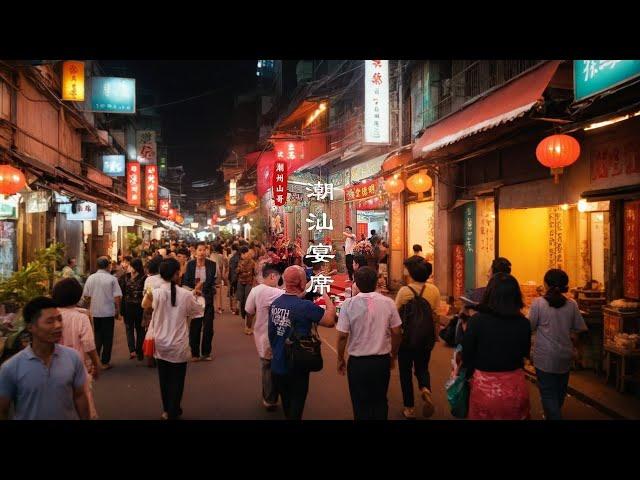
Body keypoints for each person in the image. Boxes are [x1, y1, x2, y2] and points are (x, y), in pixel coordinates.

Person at [0, 297, 89, 420]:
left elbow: (79, 397)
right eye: (50, 321)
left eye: (59, 319)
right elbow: (3, 410)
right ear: (31, 327)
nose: (58, 325)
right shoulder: (11, 368)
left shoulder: (73, 357)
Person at [268, 266, 336, 420]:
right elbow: (330, 320)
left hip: (278, 362)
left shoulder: (276, 304)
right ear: (300, 282)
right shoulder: (306, 307)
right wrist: (326, 296)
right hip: (298, 364)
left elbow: (271, 334)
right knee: (297, 405)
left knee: (287, 403)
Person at [462, 273, 532, 420]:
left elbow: (467, 355)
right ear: (516, 296)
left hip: (485, 389)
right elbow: (525, 353)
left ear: (489, 294)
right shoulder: (524, 323)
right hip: (516, 388)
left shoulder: (476, 322)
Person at [336, 267, 402, 420]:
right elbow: (397, 332)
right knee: (380, 401)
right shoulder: (388, 303)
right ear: (376, 283)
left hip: (358, 363)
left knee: (360, 403)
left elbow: (342, 337)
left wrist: (340, 358)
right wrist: (393, 355)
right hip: (381, 361)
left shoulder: (348, 305)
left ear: (356, 285)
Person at [142, 258, 204, 420]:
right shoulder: (185, 295)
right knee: (177, 379)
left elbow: (145, 306)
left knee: (164, 379)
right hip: (179, 344)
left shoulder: (155, 293)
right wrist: (196, 295)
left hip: (160, 342)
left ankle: (167, 410)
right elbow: (198, 312)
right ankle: (173, 409)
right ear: (177, 274)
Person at [529, 269, 588, 420]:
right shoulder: (572, 305)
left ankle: (553, 415)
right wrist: (578, 351)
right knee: (560, 391)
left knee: (548, 392)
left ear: (545, 284)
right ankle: (552, 414)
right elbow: (579, 330)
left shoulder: (538, 304)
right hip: (565, 356)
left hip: (544, 357)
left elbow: (530, 327)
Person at [394, 258, 439, 419]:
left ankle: (409, 407)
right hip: (426, 338)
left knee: (405, 372)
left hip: (407, 338)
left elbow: (395, 315)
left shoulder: (404, 291)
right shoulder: (434, 290)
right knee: (422, 367)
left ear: (411, 273)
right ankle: (425, 388)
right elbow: (435, 314)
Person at [52, 278, 101, 419]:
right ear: (77, 296)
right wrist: (96, 363)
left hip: (53, 367)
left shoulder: (51, 315)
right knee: (83, 403)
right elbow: (89, 344)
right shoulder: (81, 317)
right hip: (77, 368)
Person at [244, 264, 285, 411]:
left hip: (261, 335)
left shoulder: (255, 291)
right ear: (273, 276)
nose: (279, 281)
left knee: (266, 367)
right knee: (279, 365)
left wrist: (248, 326)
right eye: (278, 278)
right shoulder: (280, 293)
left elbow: (249, 311)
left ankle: (269, 399)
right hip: (278, 336)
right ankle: (279, 395)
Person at [82, 256, 122, 370]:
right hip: (108, 312)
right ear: (108, 266)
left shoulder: (91, 278)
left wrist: (87, 309)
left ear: (97, 266)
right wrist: (117, 310)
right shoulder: (112, 279)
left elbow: (86, 296)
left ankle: (96, 360)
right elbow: (117, 297)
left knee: (97, 336)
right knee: (108, 337)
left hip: (95, 311)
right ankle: (105, 362)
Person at [182, 242, 217, 361]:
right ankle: (195, 353)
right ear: (195, 252)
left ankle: (206, 352)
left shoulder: (212, 264)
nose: (202, 252)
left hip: (207, 298)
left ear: (207, 251)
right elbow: (186, 282)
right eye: (199, 250)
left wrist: (208, 290)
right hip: (194, 299)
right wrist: (194, 290)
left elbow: (213, 282)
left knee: (208, 327)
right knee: (195, 326)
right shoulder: (190, 265)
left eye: (204, 250)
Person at [121, 258, 147, 361]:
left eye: (131, 265)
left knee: (140, 329)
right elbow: (121, 292)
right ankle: (132, 350)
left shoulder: (144, 278)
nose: (129, 267)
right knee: (129, 328)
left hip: (140, 307)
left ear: (136, 267)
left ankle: (139, 350)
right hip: (127, 306)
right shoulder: (125, 277)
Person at [236, 245, 257, 335]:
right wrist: (240, 269)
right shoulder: (240, 262)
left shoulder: (252, 262)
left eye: (245, 253)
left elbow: (255, 272)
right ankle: (243, 314)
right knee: (241, 299)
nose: (244, 255)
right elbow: (237, 271)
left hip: (249, 283)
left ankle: (247, 323)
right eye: (243, 254)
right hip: (241, 282)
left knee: (247, 300)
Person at [210, 244, 228, 315]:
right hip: (218, 275)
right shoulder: (220, 256)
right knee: (219, 292)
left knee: (214, 292)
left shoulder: (211, 255)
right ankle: (219, 307)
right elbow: (221, 266)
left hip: (211, 275)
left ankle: (218, 307)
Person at [228, 243, 240, 315]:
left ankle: (233, 308)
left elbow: (231, 269)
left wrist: (231, 279)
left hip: (233, 277)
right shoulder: (240, 257)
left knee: (232, 293)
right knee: (237, 293)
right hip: (239, 277)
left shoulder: (232, 258)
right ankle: (236, 307)